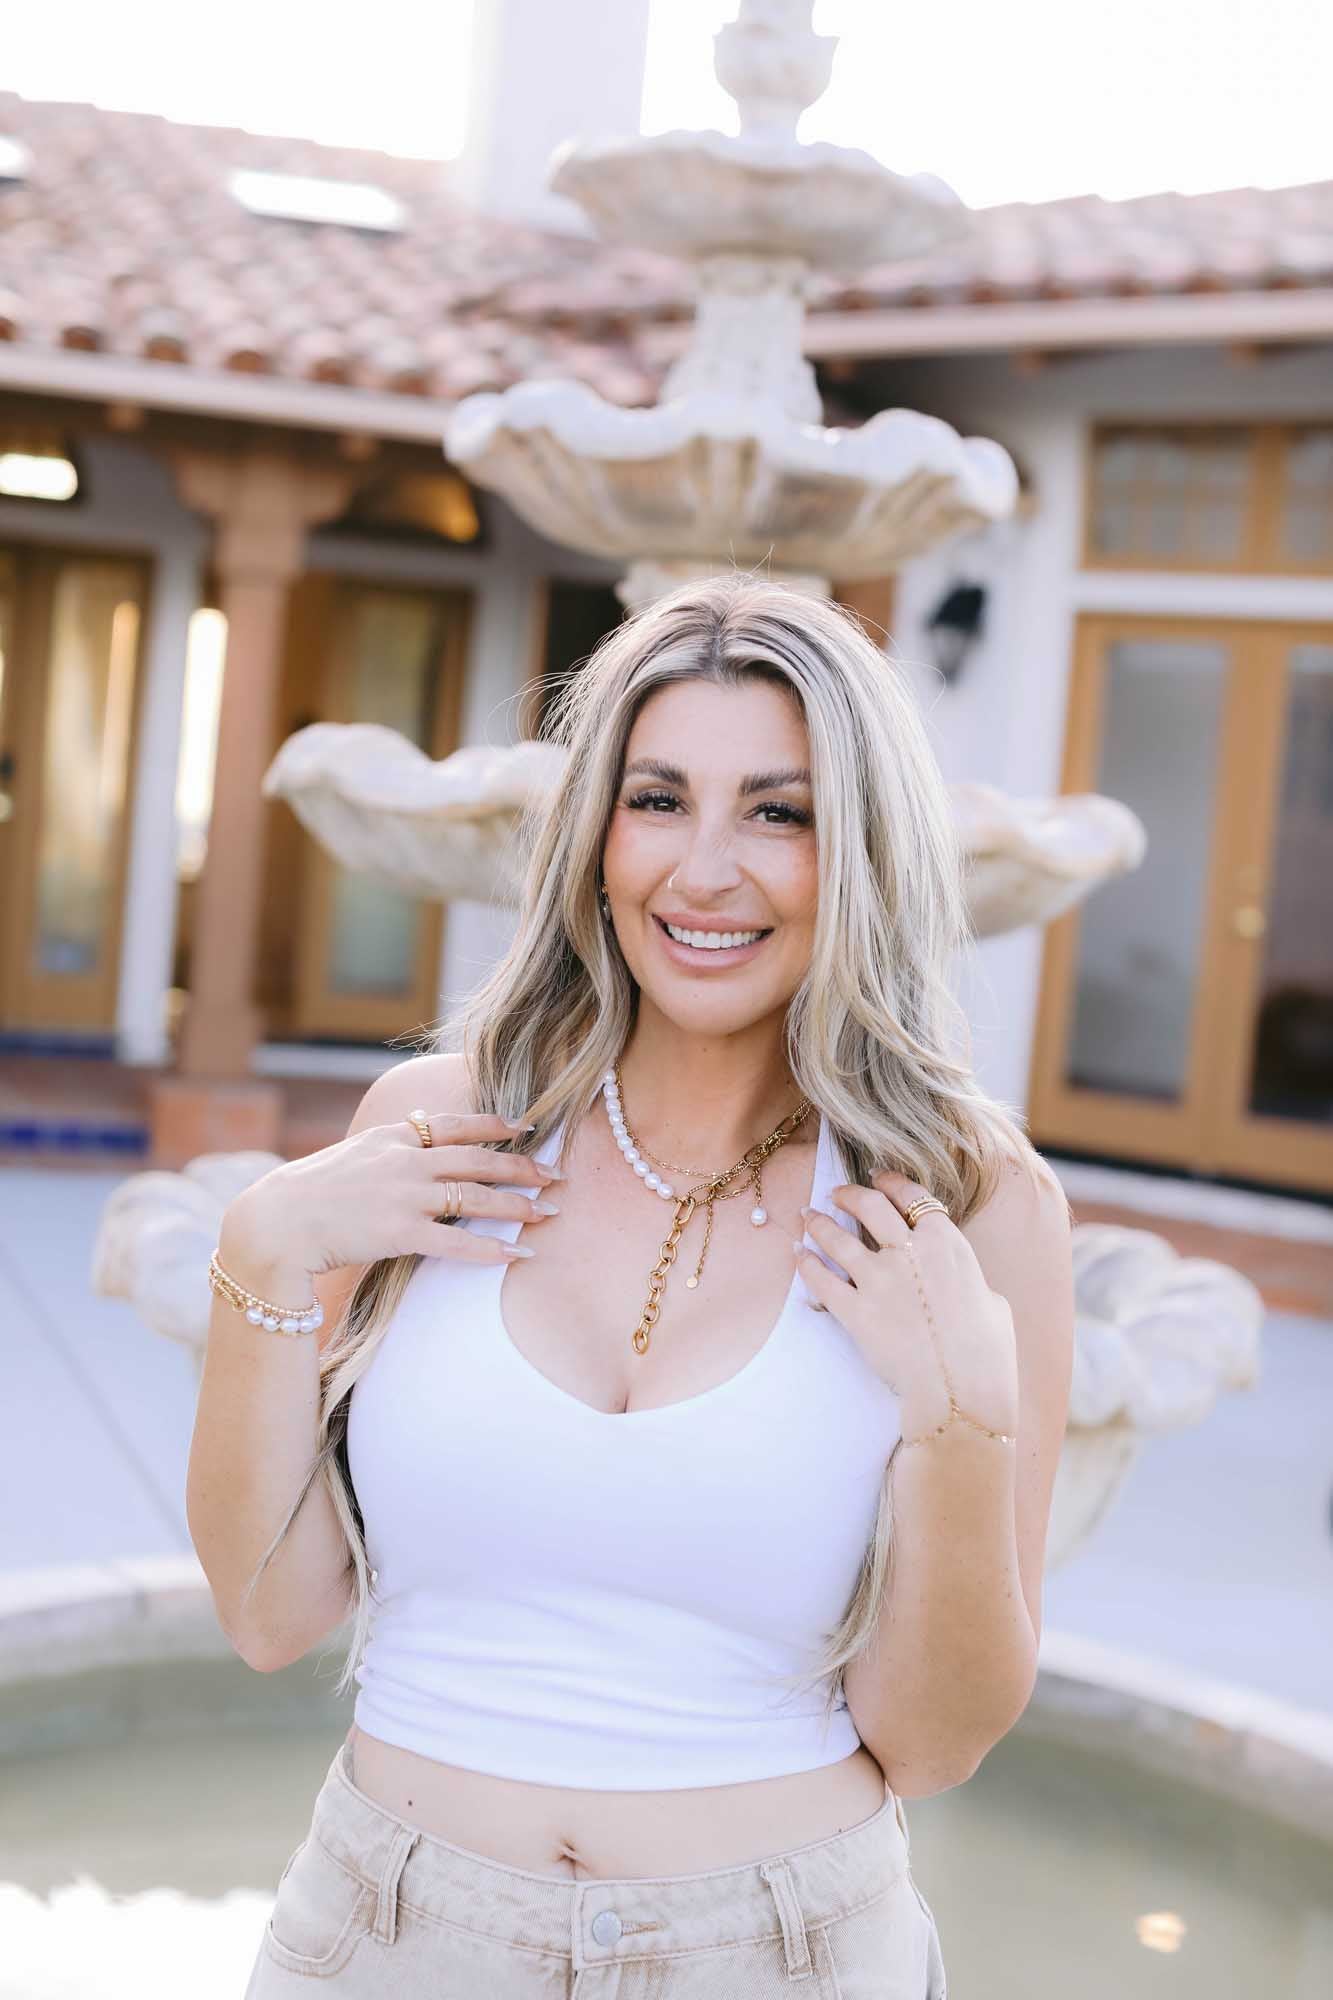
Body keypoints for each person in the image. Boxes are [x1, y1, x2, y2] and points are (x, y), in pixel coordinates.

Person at [188, 574, 1075, 1997]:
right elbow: (269, 1611)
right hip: (394, 1936)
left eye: (776, 813)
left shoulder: (968, 1206)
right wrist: (261, 1254)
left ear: (857, 850)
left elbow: (932, 1741)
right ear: (597, 834)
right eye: (657, 799)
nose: (702, 870)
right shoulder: (439, 1132)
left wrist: (958, 1414)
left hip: (778, 1951)